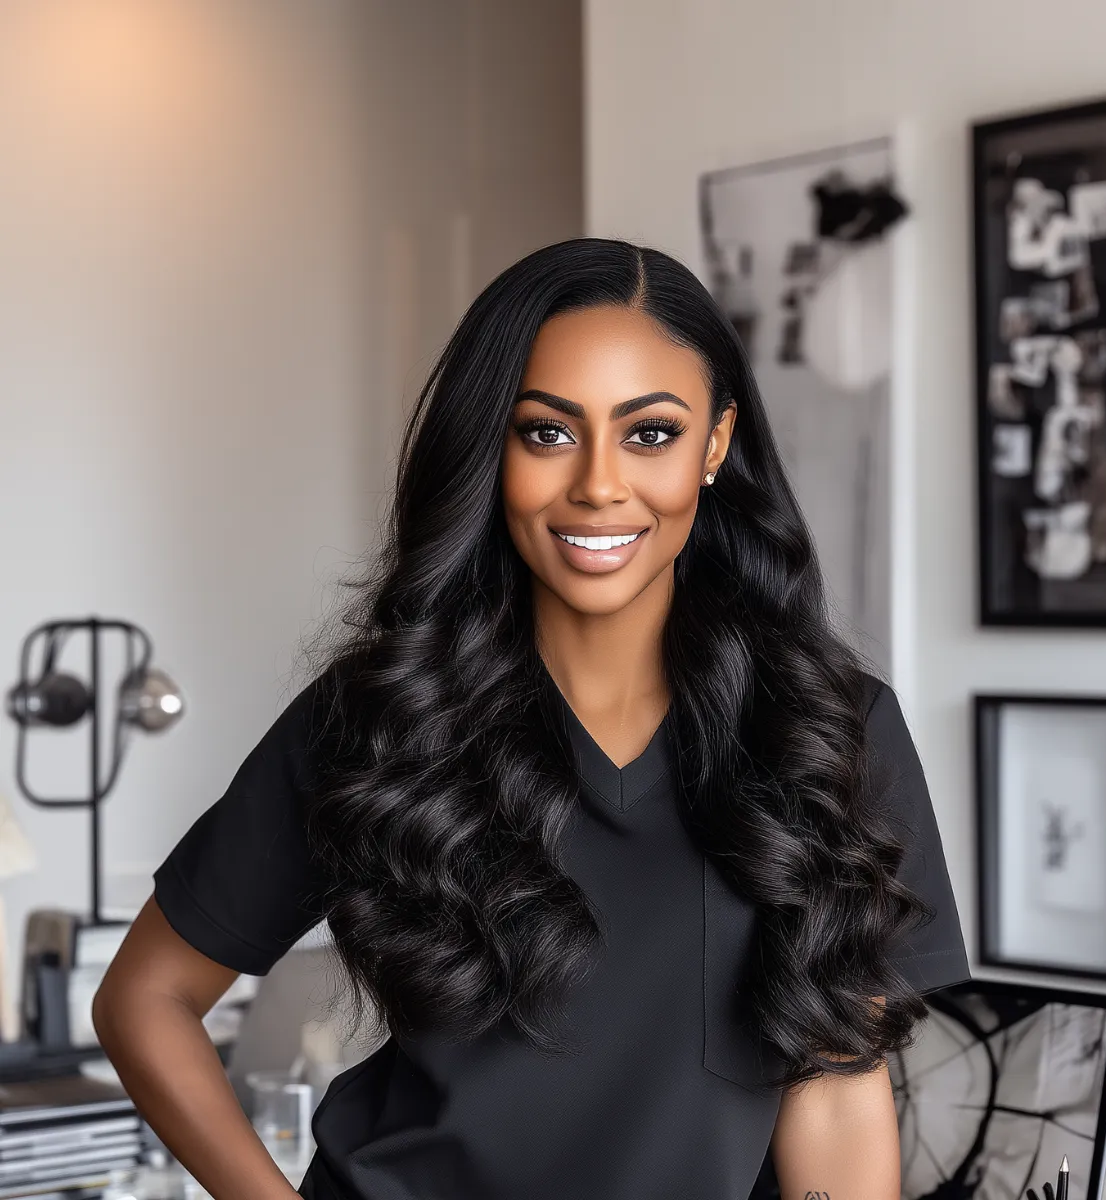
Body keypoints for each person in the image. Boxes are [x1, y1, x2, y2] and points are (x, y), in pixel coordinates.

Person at [93, 238, 970, 1200]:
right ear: (492, 448)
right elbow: (146, 998)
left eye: (651, 433)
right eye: (548, 433)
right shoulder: (379, 718)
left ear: (715, 445)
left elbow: (837, 1094)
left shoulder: (833, 733)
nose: (598, 484)